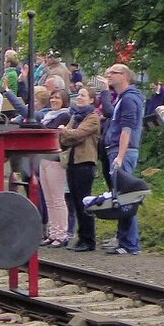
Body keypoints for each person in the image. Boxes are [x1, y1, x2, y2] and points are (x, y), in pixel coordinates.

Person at [102, 64, 144, 255]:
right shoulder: (122, 98)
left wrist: (119, 156)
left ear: (125, 76)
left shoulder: (129, 99)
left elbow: (127, 129)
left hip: (122, 152)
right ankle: (123, 240)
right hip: (118, 150)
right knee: (121, 196)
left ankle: (130, 244)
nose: (108, 75)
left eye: (113, 73)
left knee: (126, 197)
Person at [59, 87, 102, 252]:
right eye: (79, 95)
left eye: (83, 95)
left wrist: (66, 132)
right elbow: (65, 138)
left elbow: (76, 134)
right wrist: (68, 134)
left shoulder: (93, 118)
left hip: (85, 162)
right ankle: (81, 237)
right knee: (76, 202)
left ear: (91, 100)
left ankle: (89, 240)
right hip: (72, 162)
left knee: (84, 202)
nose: (79, 98)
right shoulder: (75, 117)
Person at [37, 89, 73, 247]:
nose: (53, 100)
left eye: (57, 98)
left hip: (56, 160)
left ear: (64, 100)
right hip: (43, 158)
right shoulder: (48, 115)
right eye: (52, 97)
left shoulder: (64, 115)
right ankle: (52, 233)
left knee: (58, 198)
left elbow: (48, 131)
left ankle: (61, 233)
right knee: (48, 199)